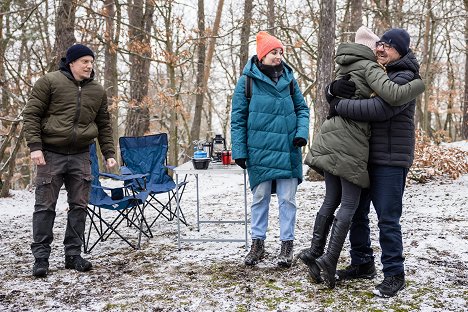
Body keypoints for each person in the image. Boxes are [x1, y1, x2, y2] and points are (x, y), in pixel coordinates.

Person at [299, 26, 425, 289]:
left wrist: (337, 105)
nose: (380, 49)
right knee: (357, 212)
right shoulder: (380, 71)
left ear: (399, 50)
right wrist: (332, 89)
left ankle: (394, 274)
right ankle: (362, 263)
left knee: (387, 218)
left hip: (390, 158)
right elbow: (351, 84)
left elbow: (379, 108)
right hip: (367, 154)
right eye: (379, 44)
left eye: (386, 46)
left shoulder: (405, 77)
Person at [24, 44, 117, 277]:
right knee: (45, 207)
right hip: (51, 154)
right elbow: (32, 114)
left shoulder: (97, 91)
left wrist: (109, 153)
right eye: (85, 61)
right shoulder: (49, 82)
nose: (89, 65)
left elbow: (104, 124)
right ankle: (41, 259)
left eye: (91, 62)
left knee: (79, 207)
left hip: (81, 155)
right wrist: (35, 147)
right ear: (72, 62)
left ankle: (73, 255)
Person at [231, 31, 310, 268]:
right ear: (262, 55)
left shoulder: (290, 80)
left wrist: (301, 134)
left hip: (288, 149)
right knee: (260, 197)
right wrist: (240, 151)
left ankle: (287, 245)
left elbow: (302, 110)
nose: (278, 56)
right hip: (260, 150)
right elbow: (238, 118)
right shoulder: (247, 81)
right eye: (273, 52)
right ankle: (258, 244)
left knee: (287, 199)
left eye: (280, 52)